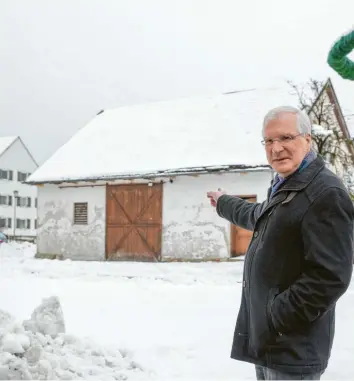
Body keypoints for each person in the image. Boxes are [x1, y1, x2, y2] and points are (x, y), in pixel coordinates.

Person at [207, 106, 354, 380]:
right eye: (269, 141)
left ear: (308, 140)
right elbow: (259, 215)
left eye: (286, 138)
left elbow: (330, 276)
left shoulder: (325, 193)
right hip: (271, 343)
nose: (276, 148)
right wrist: (224, 202)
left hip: (293, 349)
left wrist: (277, 315)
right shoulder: (286, 185)